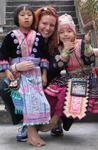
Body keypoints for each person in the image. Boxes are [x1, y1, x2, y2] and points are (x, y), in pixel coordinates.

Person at [0, 5, 62, 142]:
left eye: (52, 25)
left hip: (40, 78)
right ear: (37, 21)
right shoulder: (12, 36)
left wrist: (44, 74)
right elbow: (3, 54)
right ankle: (26, 123)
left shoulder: (48, 40)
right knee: (10, 90)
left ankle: (52, 121)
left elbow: (44, 57)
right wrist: (12, 68)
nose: (48, 27)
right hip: (21, 75)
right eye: (44, 23)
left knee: (41, 95)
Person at [44, 13, 95, 129]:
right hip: (69, 78)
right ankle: (57, 120)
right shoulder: (59, 48)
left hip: (85, 78)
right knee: (53, 93)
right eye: (61, 32)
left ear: (75, 32)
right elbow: (59, 65)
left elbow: (89, 59)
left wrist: (87, 45)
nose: (65, 34)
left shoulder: (81, 43)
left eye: (69, 31)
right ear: (57, 35)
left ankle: (63, 120)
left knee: (72, 97)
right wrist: (66, 51)